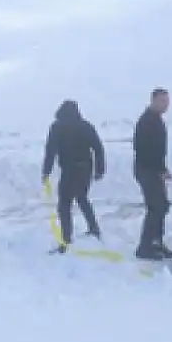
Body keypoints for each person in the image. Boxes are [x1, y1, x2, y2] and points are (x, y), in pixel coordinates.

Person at [41, 99, 106, 252]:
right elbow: (98, 147)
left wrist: (46, 171)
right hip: (85, 168)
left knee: (64, 204)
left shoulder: (57, 127)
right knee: (82, 198)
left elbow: (50, 151)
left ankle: (66, 238)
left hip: (69, 170)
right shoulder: (85, 126)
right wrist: (99, 169)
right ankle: (94, 228)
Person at [132, 87, 172, 259]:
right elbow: (143, 150)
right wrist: (159, 170)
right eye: (162, 101)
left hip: (154, 169)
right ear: (153, 101)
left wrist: (163, 168)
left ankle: (156, 242)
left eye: (167, 101)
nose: (166, 105)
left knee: (162, 206)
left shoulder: (156, 119)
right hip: (146, 169)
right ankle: (145, 247)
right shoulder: (147, 121)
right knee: (156, 207)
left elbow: (158, 150)